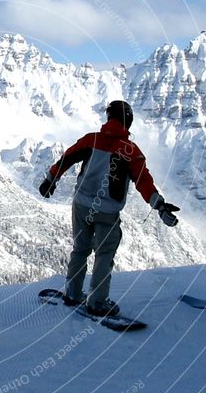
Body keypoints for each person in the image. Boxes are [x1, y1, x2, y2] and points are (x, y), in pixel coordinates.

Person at [39, 100, 180, 316]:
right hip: (107, 211)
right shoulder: (131, 151)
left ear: (109, 118)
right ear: (128, 122)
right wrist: (159, 206)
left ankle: (73, 293)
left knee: (80, 249)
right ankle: (97, 302)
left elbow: (67, 157)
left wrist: (51, 179)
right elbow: (144, 182)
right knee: (104, 254)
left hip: (81, 204)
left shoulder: (91, 140)